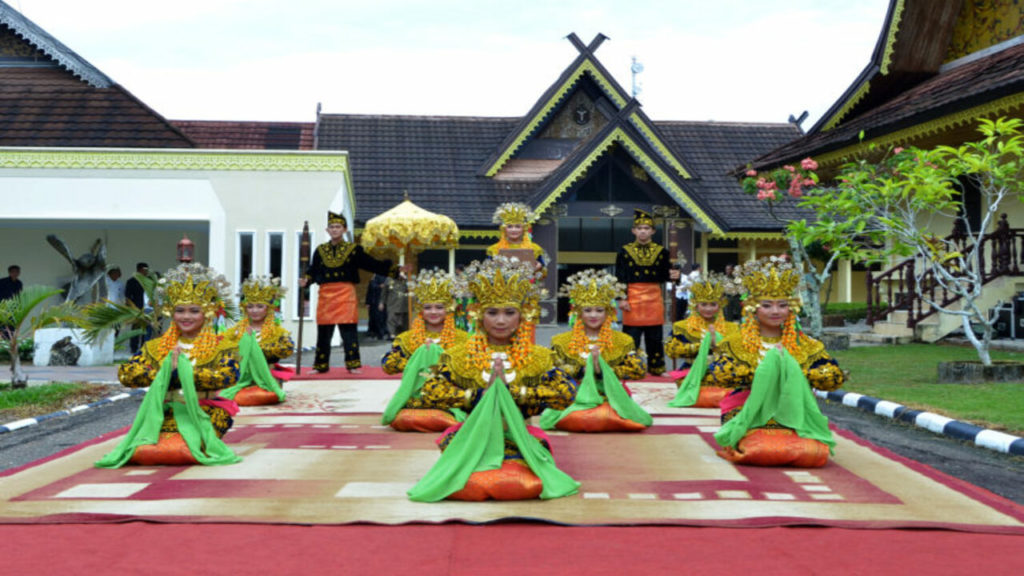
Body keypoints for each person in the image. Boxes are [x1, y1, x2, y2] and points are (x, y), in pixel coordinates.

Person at [407, 256, 579, 502]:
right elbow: (431, 391)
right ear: (478, 314)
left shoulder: (540, 357)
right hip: (470, 439)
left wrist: (515, 392)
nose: (500, 321)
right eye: (492, 312)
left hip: (517, 440)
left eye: (509, 313)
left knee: (515, 484)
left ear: (522, 315)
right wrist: (478, 395)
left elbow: (566, 393)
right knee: (468, 484)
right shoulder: (457, 356)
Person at [703, 256, 845, 467]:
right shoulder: (736, 343)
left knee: (813, 453)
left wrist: (790, 368)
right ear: (752, 308)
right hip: (747, 409)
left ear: (792, 308)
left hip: (795, 410)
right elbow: (718, 375)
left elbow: (833, 378)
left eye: (782, 305)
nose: (776, 311)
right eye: (767, 305)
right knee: (763, 449)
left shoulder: (806, 344)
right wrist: (768, 370)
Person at [96, 263, 241, 468]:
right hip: (161, 413)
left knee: (181, 450)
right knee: (143, 451)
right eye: (180, 310)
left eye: (194, 311)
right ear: (171, 312)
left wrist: (180, 373)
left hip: (204, 411)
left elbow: (227, 376)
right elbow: (127, 374)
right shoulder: (156, 347)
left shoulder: (222, 346)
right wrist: (165, 372)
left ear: (207, 312)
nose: (186, 317)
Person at [543, 269, 651, 432]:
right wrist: (582, 371)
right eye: (587, 310)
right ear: (578, 312)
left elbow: (639, 370)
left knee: (604, 415)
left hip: (611, 396)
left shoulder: (622, 340)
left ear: (609, 312)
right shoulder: (561, 341)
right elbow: (551, 372)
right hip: (575, 396)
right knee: (579, 415)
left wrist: (603, 371)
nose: (593, 315)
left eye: (599, 310)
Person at [299, 211, 395, 374]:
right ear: (327, 230)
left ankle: (352, 365)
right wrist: (306, 280)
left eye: (338, 227)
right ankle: (320, 365)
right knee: (324, 331)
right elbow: (313, 271)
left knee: (348, 330)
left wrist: (395, 271)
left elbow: (371, 264)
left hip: (345, 292)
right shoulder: (320, 251)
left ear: (344, 229)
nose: (335, 229)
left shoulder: (353, 250)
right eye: (332, 227)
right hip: (326, 293)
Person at [380, 268, 469, 431]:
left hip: (449, 400)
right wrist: (421, 357)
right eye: (428, 307)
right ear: (421, 310)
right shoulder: (407, 338)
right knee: (404, 419)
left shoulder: (463, 339)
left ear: (448, 308)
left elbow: (472, 368)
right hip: (415, 401)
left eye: (439, 307)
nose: (433, 312)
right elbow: (387, 365)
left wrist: (437, 355)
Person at [615, 209, 679, 376]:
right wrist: (621, 298)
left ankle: (657, 368)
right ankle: (628, 366)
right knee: (631, 336)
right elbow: (619, 276)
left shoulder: (663, 252)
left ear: (653, 231)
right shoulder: (624, 251)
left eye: (646, 228)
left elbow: (667, 276)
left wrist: (675, 275)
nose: (643, 231)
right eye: (640, 228)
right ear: (633, 231)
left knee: (655, 336)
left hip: (653, 296)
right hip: (633, 296)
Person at [665, 271, 741, 407]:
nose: (708, 309)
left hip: (721, 371)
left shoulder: (732, 328)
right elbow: (671, 350)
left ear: (720, 305)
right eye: (704, 304)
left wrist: (717, 343)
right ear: (695, 305)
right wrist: (703, 346)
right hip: (690, 370)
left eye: (713, 304)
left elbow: (739, 353)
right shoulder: (682, 326)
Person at [220, 275, 295, 406]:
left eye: (260, 306)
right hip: (240, 377)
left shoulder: (277, 332)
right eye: (250, 306)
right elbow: (222, 350)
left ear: (268, 308)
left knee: (268, 395)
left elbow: (286, 349)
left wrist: (253, 347)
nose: (254, 311)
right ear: (244, 308)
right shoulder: (236, 331)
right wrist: (243, 342)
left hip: (267, 377)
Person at [486, 202, 546, 277]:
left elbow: (544, 275)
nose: (513, 230)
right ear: (504, 229)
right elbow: (487, 273)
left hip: (526, 286)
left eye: (517, 226)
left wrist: (539, 268)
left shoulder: (535, 249)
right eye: (510, 226)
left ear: (523, 229)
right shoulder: (494, 249)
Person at [125, 262, 151, 354]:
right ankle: (133, 348)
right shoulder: (131, 281)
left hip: (147, 309)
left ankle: (143, 348)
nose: (146, 272)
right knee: (136, 329)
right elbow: (127, 297)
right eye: (145, 270)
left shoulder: (149, 281)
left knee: (146, 329)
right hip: (136, 309)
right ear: (140, 270)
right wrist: (133, 309)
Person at [382, 271, 409, 340]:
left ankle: (402, 335)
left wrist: (406, 279)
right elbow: (384, 292)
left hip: (403, 305)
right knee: (391, 319)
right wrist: (381, 302)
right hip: (392, 304)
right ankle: (392, 335)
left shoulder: (406, 280)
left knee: (402, 322)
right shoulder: (389, 280)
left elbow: (412, 289)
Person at [365, 273, 388, 340]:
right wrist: (368, 302)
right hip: (374, 302)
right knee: (374, 318)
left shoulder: (381, 279)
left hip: (378, 302)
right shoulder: (374, 281)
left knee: (380, 318)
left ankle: (380, 333)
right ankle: (375, 333)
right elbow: (369, 291)